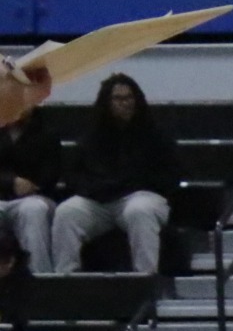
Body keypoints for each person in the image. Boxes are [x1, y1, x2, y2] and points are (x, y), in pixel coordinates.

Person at [51, 74, 178, 277]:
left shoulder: (155, 135)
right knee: (67, 212)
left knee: (139, 211)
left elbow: (169, 177)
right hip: (99, 200)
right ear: (107, 103)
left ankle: (145, 279)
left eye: (129, 98)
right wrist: (93, 188)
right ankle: (65, 278)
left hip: (141, 196)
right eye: (118, 99)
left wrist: (128, 185)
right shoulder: (92, 136)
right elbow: (74, 175)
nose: (125, 104)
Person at [0, 105, 60, 273]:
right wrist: (11, 182)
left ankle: (39, 278)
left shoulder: (47, 134)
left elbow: (50, 177)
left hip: (34, 197)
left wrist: (29, 187)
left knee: (33, 210)